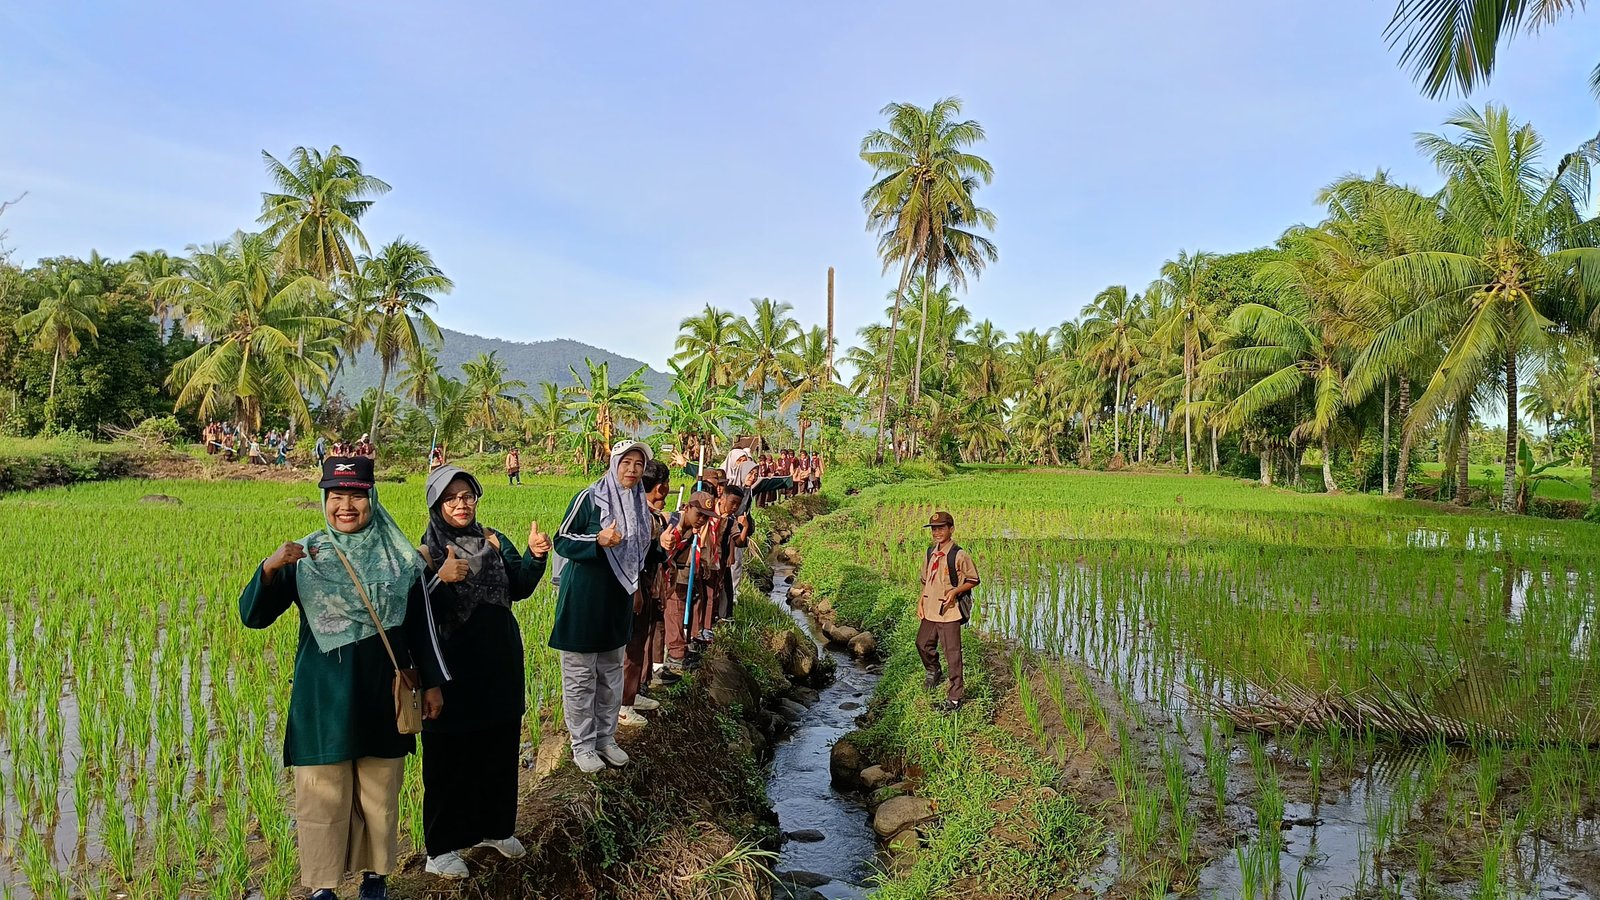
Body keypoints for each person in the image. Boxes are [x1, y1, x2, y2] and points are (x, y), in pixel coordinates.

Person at [238, 456, 448, 900]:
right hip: (324, 700)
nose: (345, 506)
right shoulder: (306, 555)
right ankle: (323, 886)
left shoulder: (399, 558)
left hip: (384, 695)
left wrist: (431, 683)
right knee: (322, 798)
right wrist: (271, 568)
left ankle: (376, 877)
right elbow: (253, 617)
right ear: (324, 500)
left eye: (355, 496)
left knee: (380, 792)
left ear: (371, 498)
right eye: (336, 497)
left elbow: (416, 627)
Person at [416, 465, 550, 879]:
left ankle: (496, 828)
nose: (461, 503)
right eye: (451, 498)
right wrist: (440, 579)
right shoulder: (423, 554)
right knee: (449, 759)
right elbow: (414, 614)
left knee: (499, 748)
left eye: (468, 496)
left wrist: (535, 555)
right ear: (437, 504)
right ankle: (440, 848)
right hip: (452, 669)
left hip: (499, 663)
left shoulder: (493, 540)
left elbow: (521, 586)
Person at [549, 440, 665, 773]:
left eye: (638, 464)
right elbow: (563, 539)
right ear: (614, 464)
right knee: (580, 676)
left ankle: (606, 738)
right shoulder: (590, 498)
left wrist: (660, 546)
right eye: (626, 462)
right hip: (584, 601)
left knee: (611, 674)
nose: (632, 469)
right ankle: (582, 744)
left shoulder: (640, 506)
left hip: (618, 601)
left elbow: (640, 553)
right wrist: (598, 540)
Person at [619, 460, 672, 727]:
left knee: (640, 641)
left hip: (647, 583)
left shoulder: (646, 513)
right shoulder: (634, 512)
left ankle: (632, 693)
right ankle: (622, 704)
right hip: (636, 585)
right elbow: (632, 556)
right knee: (630, 645)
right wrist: (637, 589)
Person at [917, 511, 981, 712]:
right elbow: (926, 581)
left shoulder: (958, 555)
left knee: (952, 654)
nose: (937, 532)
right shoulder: (930, 552)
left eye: (941, 528)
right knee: (922, 643)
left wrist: (954, 591)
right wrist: (920, 602)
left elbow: (973, 580)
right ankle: (933, 671)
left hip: (949, 611)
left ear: (951, 529)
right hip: (930, 608)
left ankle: (955, 697)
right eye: (934, 529)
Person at [663, 491, 716, 669]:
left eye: (706, 517)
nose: (702, 520)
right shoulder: (672, 524)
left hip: (676, 576)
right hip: (664, 579)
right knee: (674, 611)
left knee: (680, 610)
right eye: (699, 514)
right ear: (687, 507)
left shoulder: (692, 530)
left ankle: (679, 650)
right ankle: (675, 655)